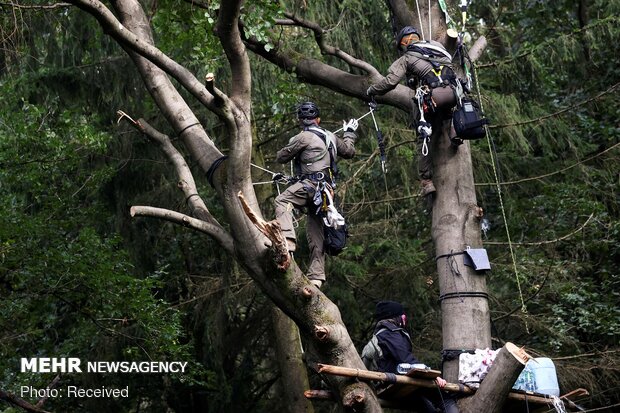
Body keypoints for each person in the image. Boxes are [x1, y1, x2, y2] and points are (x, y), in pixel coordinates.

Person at [366, 26, 461, 198]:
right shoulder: (438, 48)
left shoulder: (407, 57)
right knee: (449, 111)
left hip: (432, 99)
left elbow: (391, 81)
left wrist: (372, 90)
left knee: (423, 136)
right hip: (453, 95)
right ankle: (455, 132)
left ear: (404, 42)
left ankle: (426, 181)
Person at [274, 101, 358, 289]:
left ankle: (287, 239)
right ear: (317, 120)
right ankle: (316, 277)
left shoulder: (303, 137)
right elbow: (349, 151)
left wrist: (292, 144)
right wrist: (350, 133)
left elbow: (281, 157)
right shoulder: (331, 136)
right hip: (326, 192)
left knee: (282, 200)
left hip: (311, 186)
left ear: (300, 120)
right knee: (316, 233)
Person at [362, 300, 459, 413]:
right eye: (402, 316)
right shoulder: (390, 334)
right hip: (397, 382)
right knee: (446, 400)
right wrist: (432, 376)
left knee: (425, 405)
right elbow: (406, 359)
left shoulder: (380, 335)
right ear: (397, 317)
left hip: (388, 385)